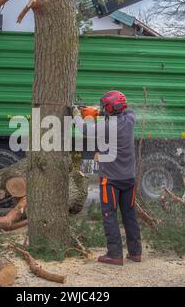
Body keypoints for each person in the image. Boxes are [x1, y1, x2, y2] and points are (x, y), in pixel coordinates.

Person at [77, 90, 142, 266]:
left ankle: (114, 254)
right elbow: (128, 111)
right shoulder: (129, 120)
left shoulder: (105, 127)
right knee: (129, 215)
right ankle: (135, 252)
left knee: (109, 215)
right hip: (129, 179)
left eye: (104, 107)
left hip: (110, 181)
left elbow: (84, 129)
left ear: (110, 108)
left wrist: (78, 114)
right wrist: (99, 113)